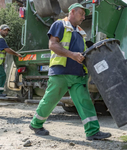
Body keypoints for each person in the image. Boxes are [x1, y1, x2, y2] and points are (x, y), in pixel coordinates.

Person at [29, 3, 111, 141]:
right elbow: (53, 45)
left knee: (85, 102)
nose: (84, 18)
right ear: (72, 12)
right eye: (82, 14)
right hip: (60, 72)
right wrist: (72, 55)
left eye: (85, 15)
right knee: (50, 100)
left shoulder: (80, 32)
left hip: (78, 74)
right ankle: (35, 124)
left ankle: (92, 132)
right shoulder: (59, 25)